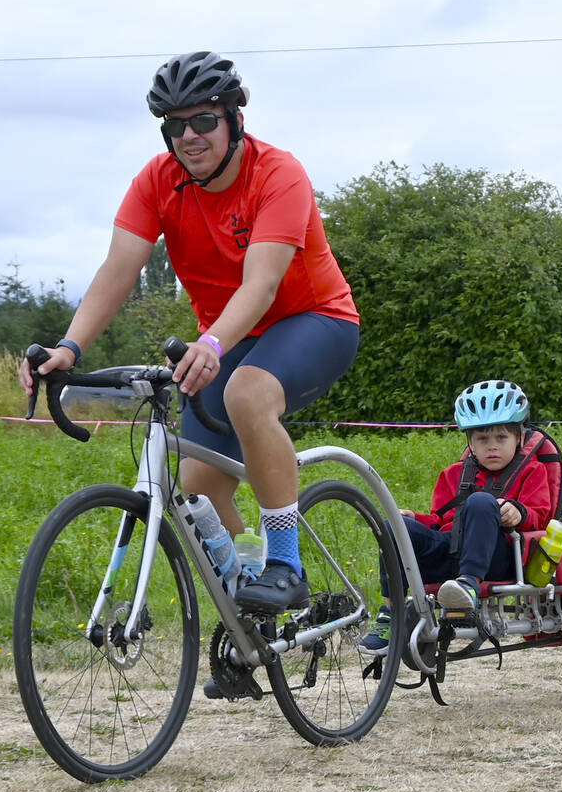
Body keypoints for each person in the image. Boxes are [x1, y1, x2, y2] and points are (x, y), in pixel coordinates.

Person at [18, 51, 361, 616]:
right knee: (198, 490)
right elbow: (118, 270)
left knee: (246, 393)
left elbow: (262, 284)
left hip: (314, 320)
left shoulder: (278, 174)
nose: (189, 136)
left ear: (234, 120)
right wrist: (68, 347)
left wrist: (211, 345)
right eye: (176, 125)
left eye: (204, 121)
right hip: (229, 337)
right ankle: (255, 611)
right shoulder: (159, 181)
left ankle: (285, 566)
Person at [359, 380, 560, 655]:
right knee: (393, 526)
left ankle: (468, 586)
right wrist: (413, 518)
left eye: (501, 438)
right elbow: (440, 521)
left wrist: (519, 512)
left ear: (520, 439)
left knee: (481, 502)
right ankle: (391, 613)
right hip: (451, 554)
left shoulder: (532, 471)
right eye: (482, 439)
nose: (492, 447)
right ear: (470, 442)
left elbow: (541, 517)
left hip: (497, 557)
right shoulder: (453, 474)